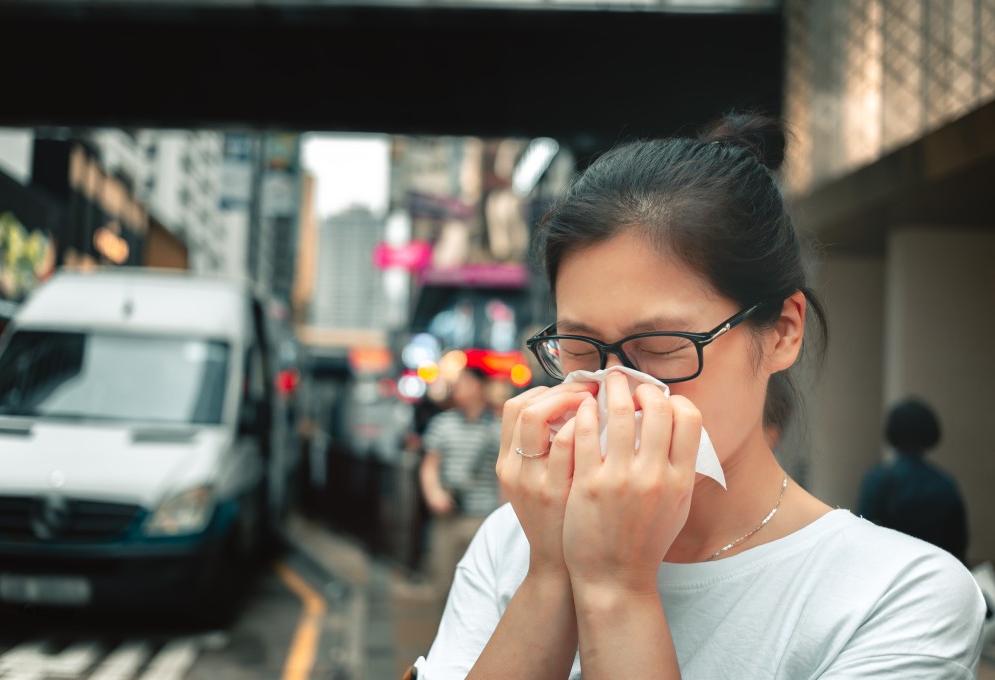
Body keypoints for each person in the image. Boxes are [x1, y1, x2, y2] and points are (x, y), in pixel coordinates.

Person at [412, 111, 985, 678]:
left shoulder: (897, 594)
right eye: (580, 348)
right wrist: (551, 573)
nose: (617, 388)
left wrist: (617, 586)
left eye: (661, 347)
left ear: (783, 331)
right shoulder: (516, 542)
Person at [418, 366, 503, 598]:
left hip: (484, 518)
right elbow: (429, 466)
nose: (456, 387)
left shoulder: (499, 426)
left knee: (481, 586)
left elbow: (504, 475)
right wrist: (434, 495)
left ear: (479, 386)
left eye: (463, 382)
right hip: (448, 516)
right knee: (443, 582)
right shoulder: (442, 423)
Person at [857, 397, 970, 564]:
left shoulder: (877, 480)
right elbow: (958, 545)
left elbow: (864, 535)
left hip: (888, 572)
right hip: (934, 571)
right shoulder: (944, 484)